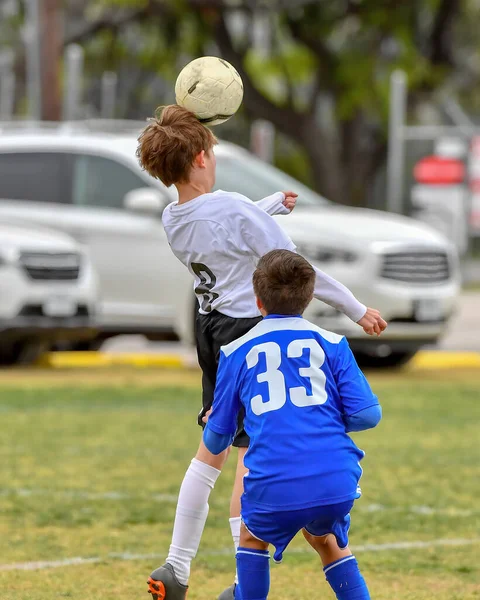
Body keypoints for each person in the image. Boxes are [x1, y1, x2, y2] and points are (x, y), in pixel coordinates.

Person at [136, 105, 387, 600]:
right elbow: (295, 266)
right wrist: (356, 308)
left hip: (209, 329)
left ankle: (178, 565)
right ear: (203, 157)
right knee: (252, 458)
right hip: (251, 328)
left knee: (212, 451)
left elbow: (221, 223)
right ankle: (243, 581)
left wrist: (266, 205)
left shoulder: (173, 216)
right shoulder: (232, 207)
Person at [203, 249, 382, 600]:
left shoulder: (236, 350)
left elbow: (217, 440)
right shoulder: (332, 343)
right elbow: (368, 414)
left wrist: (213, 420)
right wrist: (320, 417)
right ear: (309, 297)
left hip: (275, 480)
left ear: (257, 301)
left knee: (252, 537)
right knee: (325, 539)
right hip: (336, 479)